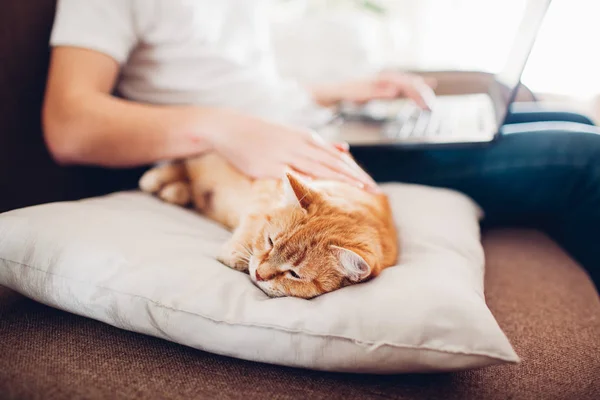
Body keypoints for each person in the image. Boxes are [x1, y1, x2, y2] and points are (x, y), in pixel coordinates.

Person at [43, 0, 599, 290]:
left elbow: (248, 87)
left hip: (313, 126)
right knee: (586, 157)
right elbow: (69, 125)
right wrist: (227, 129)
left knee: (566, 114)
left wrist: (344, 92)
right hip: (282, 156)